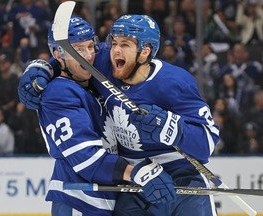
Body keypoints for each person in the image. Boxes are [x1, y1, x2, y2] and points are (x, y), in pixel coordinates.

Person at [18, 14, 220, 215]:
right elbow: (68, 56)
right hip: (134, 178)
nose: (115, 50)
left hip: (179, 171)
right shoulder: (102, 64)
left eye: (124, 44)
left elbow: (206, 144)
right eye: (113, 42)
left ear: (144, 52)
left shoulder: (175, 82)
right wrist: (42, 68)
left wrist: (173, 129)